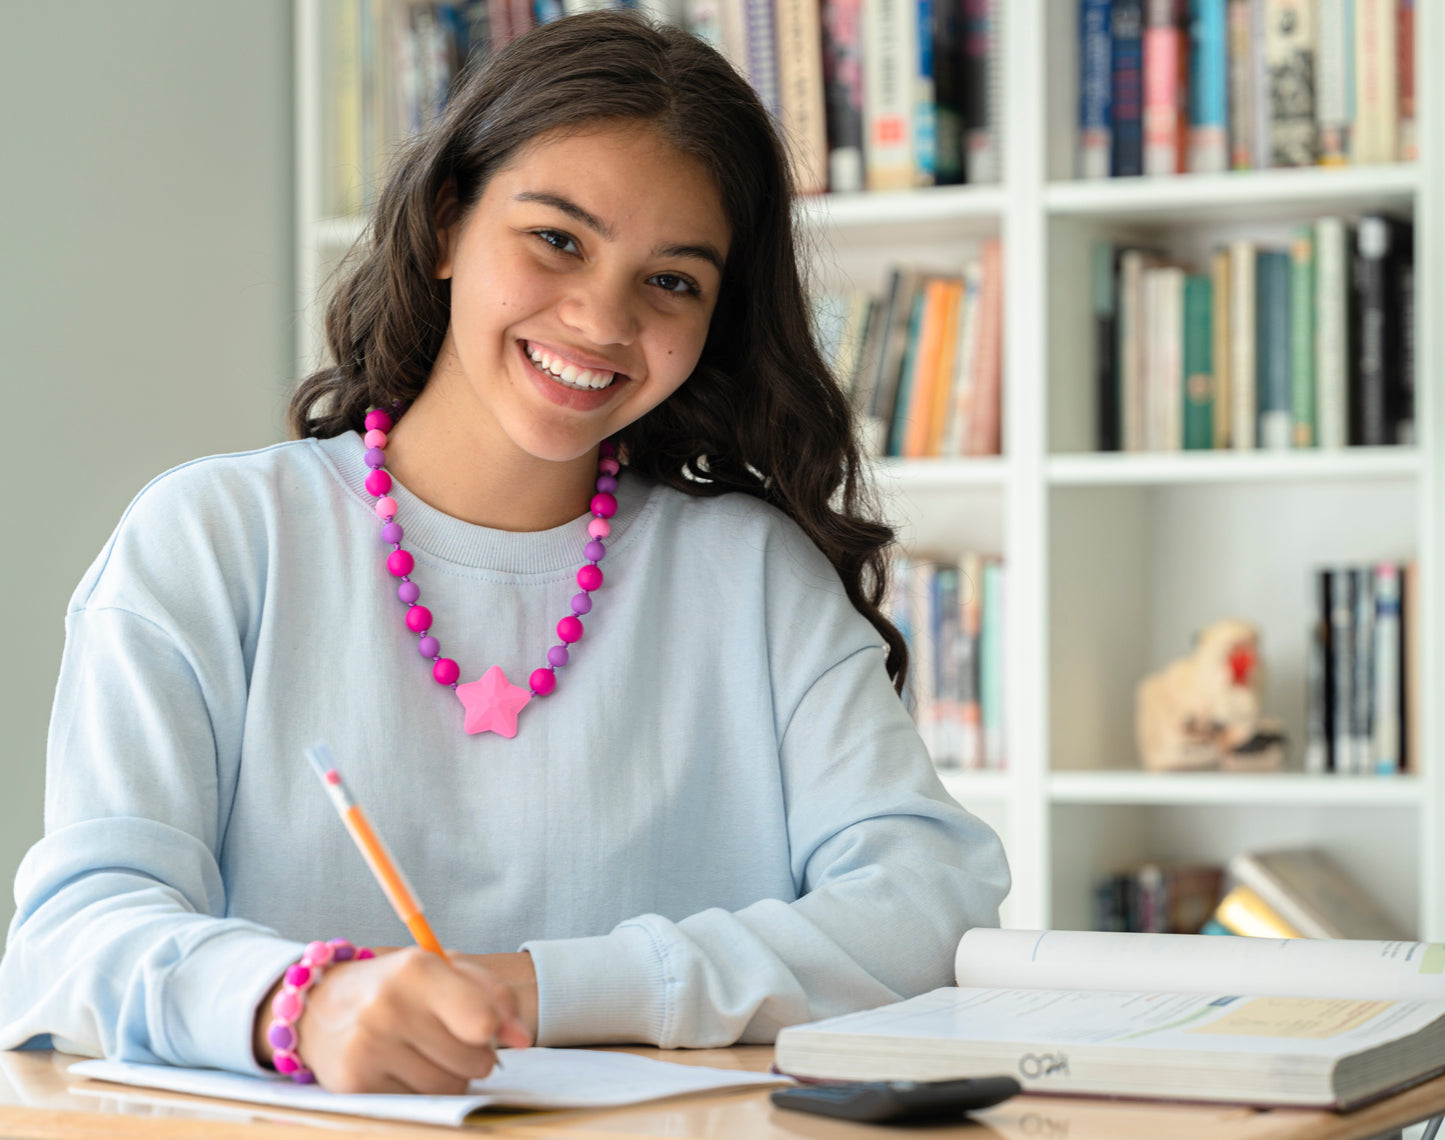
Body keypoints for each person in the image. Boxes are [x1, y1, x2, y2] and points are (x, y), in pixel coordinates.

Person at [0, 11, 1009, 1095]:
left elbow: (927, 899)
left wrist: (544, 988)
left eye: (671, 281)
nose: (598, 318)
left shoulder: (753, 576)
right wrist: (303, 1005)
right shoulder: (211, 540)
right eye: (557, 239)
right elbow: (69, 945)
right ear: (444, 226)